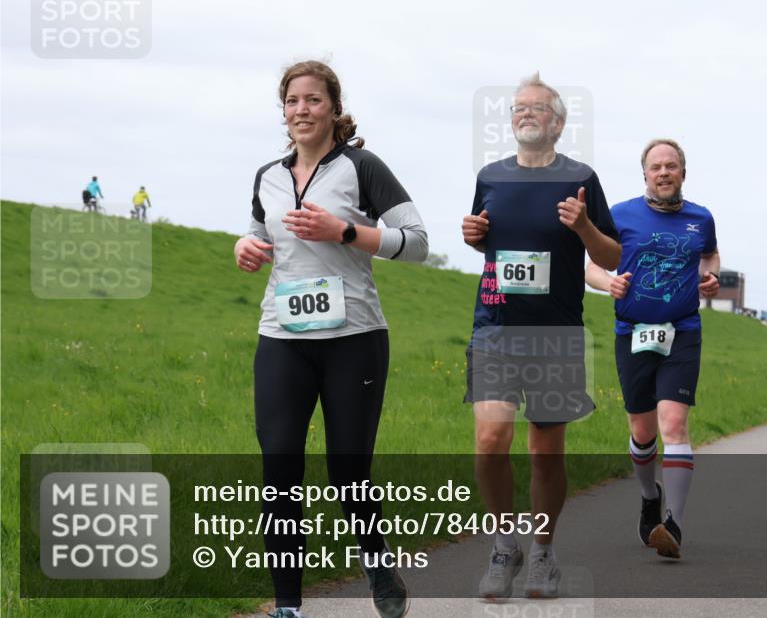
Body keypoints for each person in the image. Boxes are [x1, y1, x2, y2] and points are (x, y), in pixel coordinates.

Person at [234, 60, 427, 618]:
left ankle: (374, 560)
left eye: (313, 100)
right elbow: (257, 232)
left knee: (348, 469)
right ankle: (288, 606)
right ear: (284, 110)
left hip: (354, 338)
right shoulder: (268, 175)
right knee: (279, 469)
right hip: (282, 336)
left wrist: (343, 230)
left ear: (334, 108)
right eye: (293, 101)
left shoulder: (363, 167)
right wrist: (245, 249)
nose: (302, 110)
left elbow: (415, 242)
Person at [461, 73, 620, 600]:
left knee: (545, 451)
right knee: (489, 442)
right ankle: (506, 544)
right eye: (517, 108)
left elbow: (611, 257)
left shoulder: (580, 177)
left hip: (555, 333)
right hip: (496, 328)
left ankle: (544, 553)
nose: (524, 113)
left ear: (557, 121)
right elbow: (488, 243)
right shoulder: (491, 176)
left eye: (535, 107)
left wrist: (582, 227)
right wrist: (472, 236)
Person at [585, 137, 719, 561]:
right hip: (633, 332)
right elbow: (590, 264)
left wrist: (710, 278)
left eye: (672, 166)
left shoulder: (701, 217)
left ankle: (674, 524)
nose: (664, 172)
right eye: (656, 166)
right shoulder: (620, 214)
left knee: (674, 424)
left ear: (683, 172)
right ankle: (649, 496)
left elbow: (711, 257)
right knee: (642, 433)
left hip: (682, 330)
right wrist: (611, 283)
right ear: (645, 174)